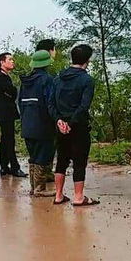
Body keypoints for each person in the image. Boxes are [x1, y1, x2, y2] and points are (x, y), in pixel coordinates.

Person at [48, 44, 99, 206]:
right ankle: (78, 197)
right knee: (79, 161)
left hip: (60, 125)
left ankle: (58, 195)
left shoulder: (58, 79)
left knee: (61, 159)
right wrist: (71, 123)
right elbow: (84, 106)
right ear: (87, 61)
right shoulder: (87, 80)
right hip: (78, 126)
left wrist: (59, 120)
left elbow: (51, 103)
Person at [19, 50, 56, 197]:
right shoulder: (47, 80)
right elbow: (50, 103)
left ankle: (33, 188)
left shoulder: (25, 82)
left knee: (33, 156)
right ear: (47, 64)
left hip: (27, 124)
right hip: (43, 124)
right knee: (43, 155)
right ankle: (40, 189)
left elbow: (19, 104)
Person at [0, 52, 27, 178]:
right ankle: (14, 167)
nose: (12, 61)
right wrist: (14, 91)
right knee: (9, 140)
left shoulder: (4, 76)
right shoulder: (1, 77)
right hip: (4, 113)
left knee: (5, 139)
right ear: (2, 62)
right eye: (10, 59)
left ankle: (4, 166)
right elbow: (12, 92)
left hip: (5, 112)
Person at [35, 39, 58, 182]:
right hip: (45, 120)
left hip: (32, 120)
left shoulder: (29, 78)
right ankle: (40, 185)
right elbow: (51, 100)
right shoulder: (47, 79)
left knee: (37, 152)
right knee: (45, 149)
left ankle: (42, 179)